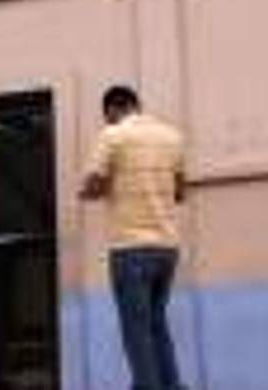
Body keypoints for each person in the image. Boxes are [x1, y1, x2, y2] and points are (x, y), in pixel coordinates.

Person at [80, 85, 187, 390]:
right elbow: (180, 192)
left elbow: (94, 182)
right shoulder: (173, 137)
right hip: (167, 249)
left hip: (130, 249)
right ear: (136, 104)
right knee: (157, 324)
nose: (108, 121)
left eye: (107, 116)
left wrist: (89, 192)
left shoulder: (113, 135)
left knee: (136, 331)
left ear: (112, 109)